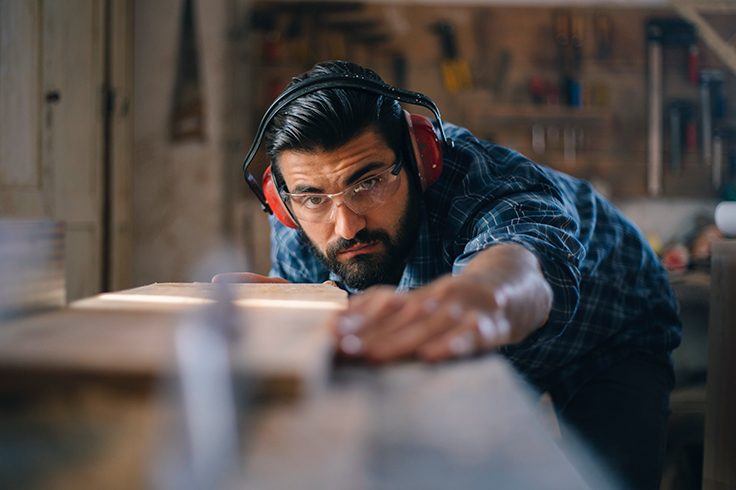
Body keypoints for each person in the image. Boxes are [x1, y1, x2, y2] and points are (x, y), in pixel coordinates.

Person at [218, 60, 681, 490]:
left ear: (421, 159)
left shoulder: (483, 180)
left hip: (612, 329)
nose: (346, 225)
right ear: (281, 200)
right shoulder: (297, 224)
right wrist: (296, 321)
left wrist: (479, 298)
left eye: (369, 182)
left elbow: (520, 264)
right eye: (313, 198)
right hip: (481, 355)